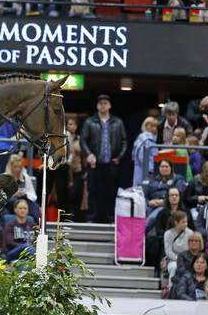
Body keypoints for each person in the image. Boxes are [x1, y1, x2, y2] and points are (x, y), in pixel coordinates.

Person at [80, 94, 127, 223]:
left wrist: (119, 157)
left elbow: (124, 141)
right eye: (100, 103)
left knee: (111, 192)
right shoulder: (90, 121)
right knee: (92, 191)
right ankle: (91, 218)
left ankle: (111, 218)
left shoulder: (118, 122)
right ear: (97, 105)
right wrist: (89, 154)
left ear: (110, 105)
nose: (103, 105)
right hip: (94, 163)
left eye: (105, 103)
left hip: (111, 162)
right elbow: (83, 140)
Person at [4, 153, 41, 219]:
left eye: (19, 167)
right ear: (10, 166)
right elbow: (0, 195)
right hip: (9, 201)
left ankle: (38, 226)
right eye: (15, 167)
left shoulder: (25, 177)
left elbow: (33, 195)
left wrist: (25, 194)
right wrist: (13, 193)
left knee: (37, 207)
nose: (17, 169)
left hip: (23, 199)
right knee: (16, 202)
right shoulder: (5, 177)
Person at [0, 199, 37, 263]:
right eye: (20, 208)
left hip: (30, 251)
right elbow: (10, 243)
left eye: (25, 208)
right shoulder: (10, 226)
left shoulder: (33, 226)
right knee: (26, 246)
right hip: (13, 252)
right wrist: (25, 246)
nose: (23, 210)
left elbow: (37, 241)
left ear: (28, 210)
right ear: (15, 210)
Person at [66, 117, 86, 220]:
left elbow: (84, 156)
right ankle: (66, 218)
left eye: (74, 124)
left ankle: (76, 218)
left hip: (77, 170)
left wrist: (85, 171)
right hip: (66, 171)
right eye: (70, 124)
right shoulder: (63, 138)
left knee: (77, 195)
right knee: (67, 195)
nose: (72, 126)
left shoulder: (80, 139)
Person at [132, 116, 158, 185]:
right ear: (146, 126)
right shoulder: (144, 139)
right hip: (143, 170)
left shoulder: (152, 139)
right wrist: (150, 171)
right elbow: (142, 157)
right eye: (151, 126)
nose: (153, 128)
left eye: (155, 126)